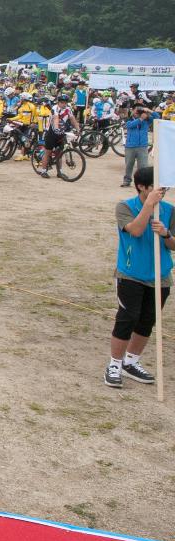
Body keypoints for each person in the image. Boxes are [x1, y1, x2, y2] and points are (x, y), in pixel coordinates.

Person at [108, 166, 171, 388]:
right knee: (127, 319)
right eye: (154, 187)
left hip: (160, 276)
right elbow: (135, 230)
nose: (160, 192)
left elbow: (173, 244)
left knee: (147, 321)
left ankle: (131, 362)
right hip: (131, 274)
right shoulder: (124, 207)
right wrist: (148, 206)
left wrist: (166, 234)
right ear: (141, 187)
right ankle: (114, 364)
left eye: (162, 188)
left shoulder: (169, 210)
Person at [36, 94, 80, 178]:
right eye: (62, 102)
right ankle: (43, 171)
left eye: (65, 103)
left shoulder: (68, 109)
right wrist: (56, 129)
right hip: (51, 132)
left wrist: (78, 129)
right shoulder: (54, 108)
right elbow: (56, 118)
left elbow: (73, 119)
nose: (64, 104)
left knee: (59, 153)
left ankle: (59, 172)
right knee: (48, 152)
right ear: (58, 102)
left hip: (61, 133)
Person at [121, 104, 152, 187]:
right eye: (137, 109)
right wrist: (140, 119)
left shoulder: (147, 120)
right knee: (128, 165)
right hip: (130, 146)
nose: (138, 110)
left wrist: (149, 110)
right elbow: (129, 125)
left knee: (143, 166)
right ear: (133, 110)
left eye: (140, 109)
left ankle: (142, 183)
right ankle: (127, 180)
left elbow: (157, 117)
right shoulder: (129, 118)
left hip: (142, 146)